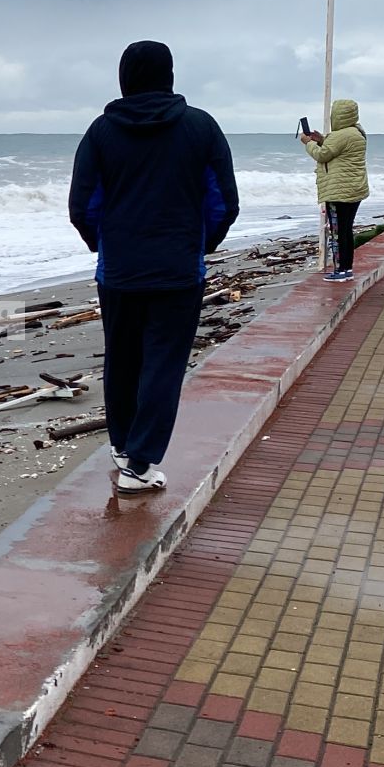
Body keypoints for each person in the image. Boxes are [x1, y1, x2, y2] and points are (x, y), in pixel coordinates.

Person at [68, 41, 238, 494]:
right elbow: (224, 203)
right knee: (162, 363)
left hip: (119, 271)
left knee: (121, 359)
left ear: (125, 76)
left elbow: (82, 207)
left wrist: (104, 245)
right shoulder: (201, 128)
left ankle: (124, 448)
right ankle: (139, 464)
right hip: (178, 270)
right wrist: (199, 244)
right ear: (169, 75)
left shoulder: (101, 132)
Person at [300, 99, 370, 281]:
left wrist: (308, 143)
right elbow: (337, 149)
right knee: (346, 229)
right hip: (353, 189)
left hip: (339, 191)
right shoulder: (357, 132)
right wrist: (322, 140)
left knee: (338, 231)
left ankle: (340, 271)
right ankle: (346, 268)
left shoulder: (340, 135)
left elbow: (322, 155)